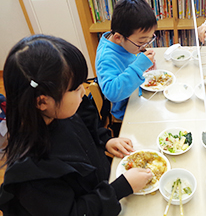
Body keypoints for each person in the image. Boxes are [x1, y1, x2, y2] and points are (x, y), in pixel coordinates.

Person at [0, 34, 153, 215]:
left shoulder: (61, 111)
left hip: (103, 183)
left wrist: (105, 140)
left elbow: (88, 126)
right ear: (42, 102)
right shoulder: (33, 174)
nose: (83, 91)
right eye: (75, 88)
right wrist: (120, 188)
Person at [95, 0, 157, 135]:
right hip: (127, 110)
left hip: (136, 94)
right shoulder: (106, 58)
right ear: (118, 37)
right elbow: (112, 93)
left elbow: (129, 61)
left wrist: (143, 59)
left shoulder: (125, 43)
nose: (144, 46)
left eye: (149, 39)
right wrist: (138, 66)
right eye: (141, 43)